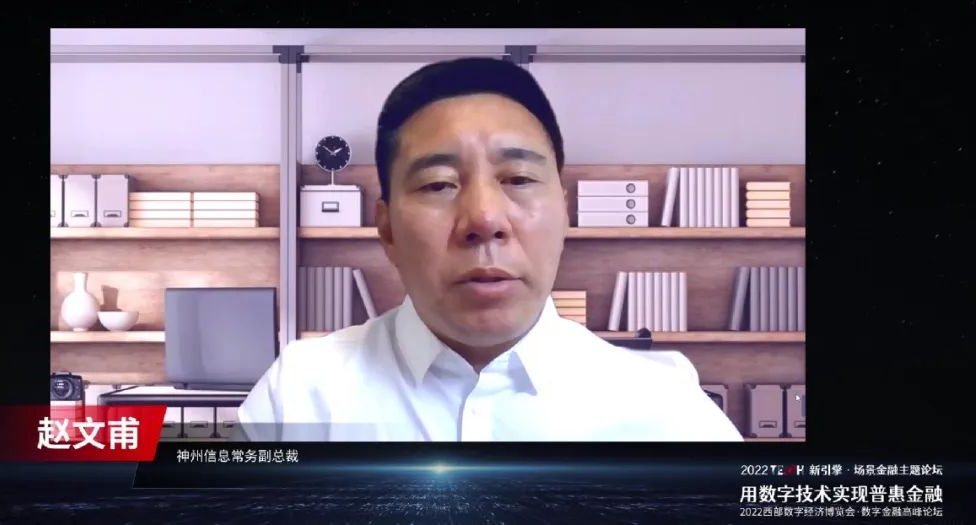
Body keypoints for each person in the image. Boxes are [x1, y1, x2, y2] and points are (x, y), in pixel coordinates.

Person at [237, 57, 743, 441]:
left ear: (564, 213)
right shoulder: (298, 398)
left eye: (518, 178)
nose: (484, 219)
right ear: (387, 229)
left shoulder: (666, 413)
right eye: (438, 184)